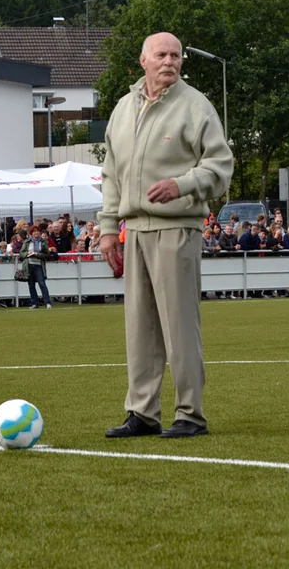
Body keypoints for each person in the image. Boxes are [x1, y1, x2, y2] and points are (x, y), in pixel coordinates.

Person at [99, 32, 233, 439]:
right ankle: (142, 412)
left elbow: (221, 165)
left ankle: (190, 413)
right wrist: (108, 228)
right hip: (134, 230)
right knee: (140, 329)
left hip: (177, 227)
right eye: (161, 54)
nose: (169, 61)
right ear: (143, 60)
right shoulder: (124, 108)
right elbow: (111, 174)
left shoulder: (196, 105)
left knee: (180, 326)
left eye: (176, 55)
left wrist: (184, 184)